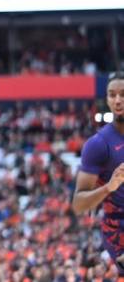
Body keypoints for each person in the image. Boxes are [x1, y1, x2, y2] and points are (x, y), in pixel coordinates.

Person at [72, 72, 124, 275]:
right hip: (118, 228)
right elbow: (78, 204)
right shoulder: (98, 144)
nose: (118, 100)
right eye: (112, 95)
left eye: (123, 94)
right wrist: (108, 187)